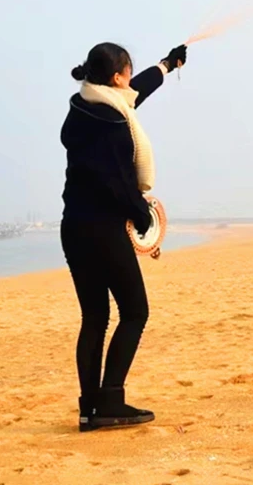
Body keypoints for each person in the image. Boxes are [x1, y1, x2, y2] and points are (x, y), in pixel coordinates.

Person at [60, 41, 187, 432]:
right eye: (128, 72)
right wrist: (143, 216)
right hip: (103, 229)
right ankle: (111, 399)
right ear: (116, 77)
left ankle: (89, 409)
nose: (131, 81)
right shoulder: (113, 124)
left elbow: (136, 94)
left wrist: (166, 65)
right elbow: (115, 182)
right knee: (135, 312)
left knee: (95, 316)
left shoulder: (85, 108)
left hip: (74, 228)